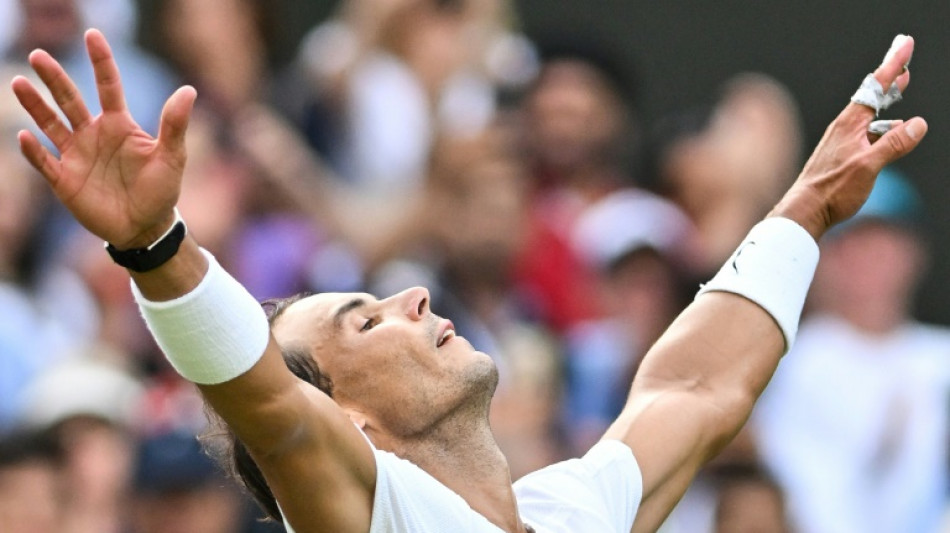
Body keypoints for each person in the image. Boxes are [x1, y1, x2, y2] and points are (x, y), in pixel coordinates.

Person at [10, 29, 925, 533]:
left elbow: (698, 381)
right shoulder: (375, 516)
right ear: (349, 423)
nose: (411, 298)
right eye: (365, 323)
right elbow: (267, 402)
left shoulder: (569, 514)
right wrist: (153, 248)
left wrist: (806, 206)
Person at [752, 167, 950, 533]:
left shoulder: (941, 357)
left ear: (915, 253)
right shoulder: (792, 359)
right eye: (853, 243)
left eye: (884, 241)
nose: (869, 259)